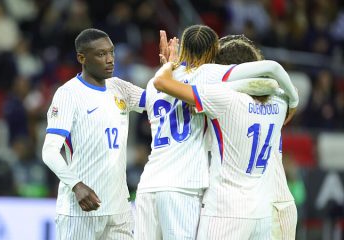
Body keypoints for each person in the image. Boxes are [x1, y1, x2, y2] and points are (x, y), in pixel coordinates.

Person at [134, 25, 298, 240]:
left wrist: (169, 67)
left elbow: (165, 86)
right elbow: (273, 76)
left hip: (204, 200)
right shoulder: (280, 100)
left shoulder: (216, 97)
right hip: (270, 203)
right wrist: (294, 98)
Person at [41, 28, 146, 240]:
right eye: (101, 54)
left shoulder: (119, 88)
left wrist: (170, 69)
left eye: (111, 52)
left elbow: (159, 101)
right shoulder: (68, 94)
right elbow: (49, 152)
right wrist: (76, 186)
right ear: (82, 58)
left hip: (119, 210)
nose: (110, 60)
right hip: (81, 209)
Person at [215, 34, 298, 240]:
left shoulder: (227, 103)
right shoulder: (278, 100)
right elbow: (292, 97)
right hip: (276, 203)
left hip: (263, 204)